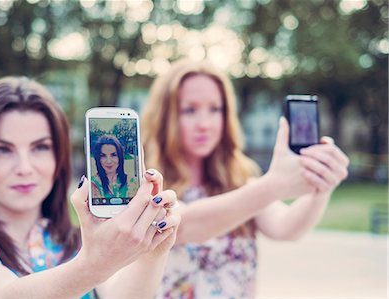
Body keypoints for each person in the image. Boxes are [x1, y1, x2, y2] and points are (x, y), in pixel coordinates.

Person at [0, 76, 180, 298]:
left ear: (58, 158)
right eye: (2, 150)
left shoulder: (78, 243)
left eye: (40, 147)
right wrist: (93, 264)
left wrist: (152, 253)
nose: (24, 167)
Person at [141, 59, 349, 298]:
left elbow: (286, 228)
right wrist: (274, 185)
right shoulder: (151, 182)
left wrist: (321, 187)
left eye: (215, 109)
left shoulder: (239, 179)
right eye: (189, 110)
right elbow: (185, 225)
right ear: (165, 115)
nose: (205, 124)